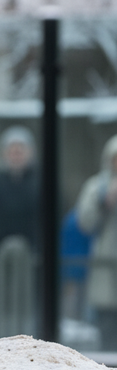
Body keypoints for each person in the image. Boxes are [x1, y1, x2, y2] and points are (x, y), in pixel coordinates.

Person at [75, 134, 117, 350]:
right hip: (105, 268)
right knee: (108, 329)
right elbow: (84, 223)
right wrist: (104, 201)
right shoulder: (95, 186)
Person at [0, 125, 39, 254]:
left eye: (20, 151)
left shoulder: (41, 183)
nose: (16, 155)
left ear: (31, 152)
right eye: (12, 151)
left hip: (35, 258)